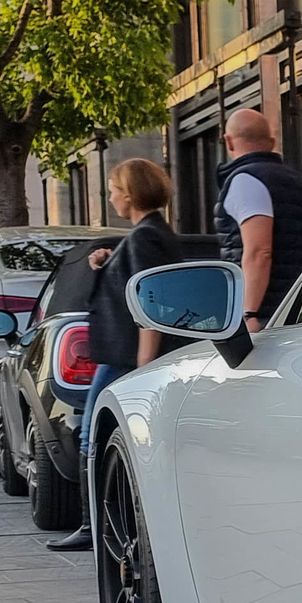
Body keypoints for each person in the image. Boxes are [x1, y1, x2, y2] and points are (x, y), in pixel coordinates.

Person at [46, 159, 182, 553]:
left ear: (129, 192)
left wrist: (145, 365)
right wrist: (106, 261)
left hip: (126, 359)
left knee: (92, 437)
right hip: (122, 356)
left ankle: (93, 526)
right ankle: (103, 524)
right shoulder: (145, 235)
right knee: (103, 438)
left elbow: (150, 302)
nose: (110, 197)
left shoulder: (145, 237)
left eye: (112, 189)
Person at [212, 107, 302, 334]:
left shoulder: (246, 181)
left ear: (228, 142)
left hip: (266, 317)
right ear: (272, 142)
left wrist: (248, 313)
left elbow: (259, 251)